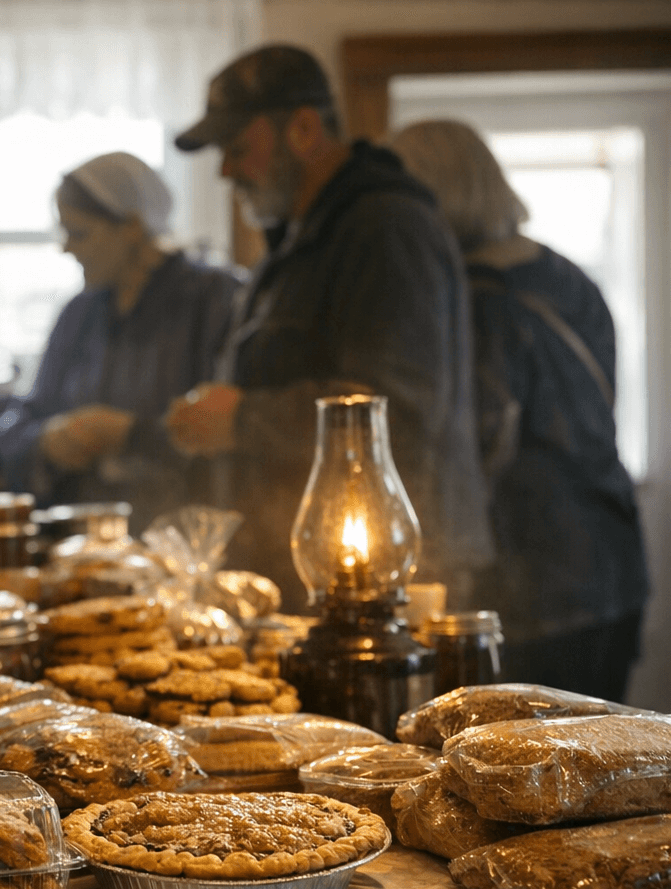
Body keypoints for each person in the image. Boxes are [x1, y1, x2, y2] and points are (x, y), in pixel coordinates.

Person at [163, 45, 494, 611]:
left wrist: (239, 418)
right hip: (327, 582)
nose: (224, 171)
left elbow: (398, 412)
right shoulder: (300, 239)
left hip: (392, 586)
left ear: (305, 128)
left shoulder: (386, 228)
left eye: (237, 148)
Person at [390, 119, 649, 702]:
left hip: (532, 583)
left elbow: (472, 458)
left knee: (529, 774)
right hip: (610, 555)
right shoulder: (565, 274)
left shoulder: (478, 302)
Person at [0, 152, 241, 526]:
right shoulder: (79, 313)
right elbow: (22, 418)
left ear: (132, 228)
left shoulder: (215, 300)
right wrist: (45, 440)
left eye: (79, 233)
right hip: (81, 547)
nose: (66, 248)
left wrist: (131, 435)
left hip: (180, 546)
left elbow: (235, 438)